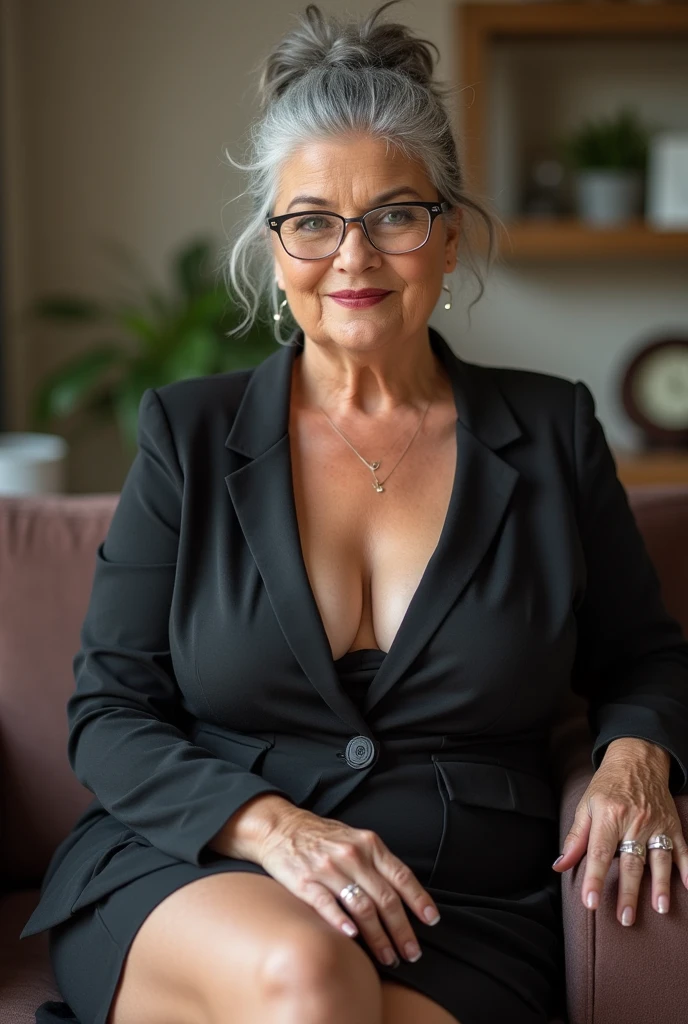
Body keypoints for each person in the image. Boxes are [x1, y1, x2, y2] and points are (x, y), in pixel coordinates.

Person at [19, 4, 688, 1024]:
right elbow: (109, 713)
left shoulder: (553, 429)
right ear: (274, 243)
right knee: (308, 983)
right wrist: (271, 826)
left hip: (456, 902)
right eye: (313, 220)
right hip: (203, 867)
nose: (353, 256)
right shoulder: (187, 434)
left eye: (394, 215)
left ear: (449, 232)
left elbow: (645, 656)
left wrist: (636, 755)